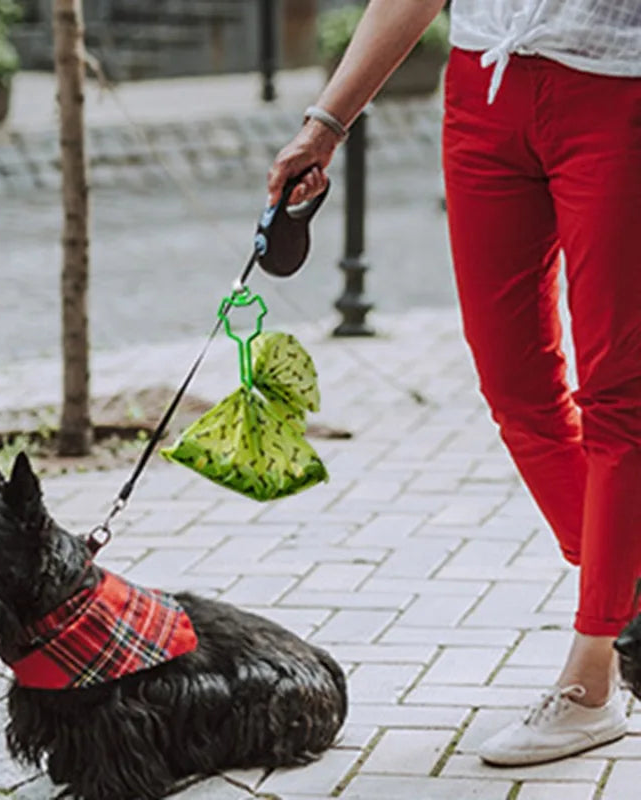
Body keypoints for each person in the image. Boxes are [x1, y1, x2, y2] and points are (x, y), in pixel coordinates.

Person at [267, 0, 641, 767]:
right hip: (484, 93)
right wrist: (325, 123)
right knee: (515, 385)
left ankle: (593, 677)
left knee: (619, 397)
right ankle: (630, 596)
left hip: (616, 90)